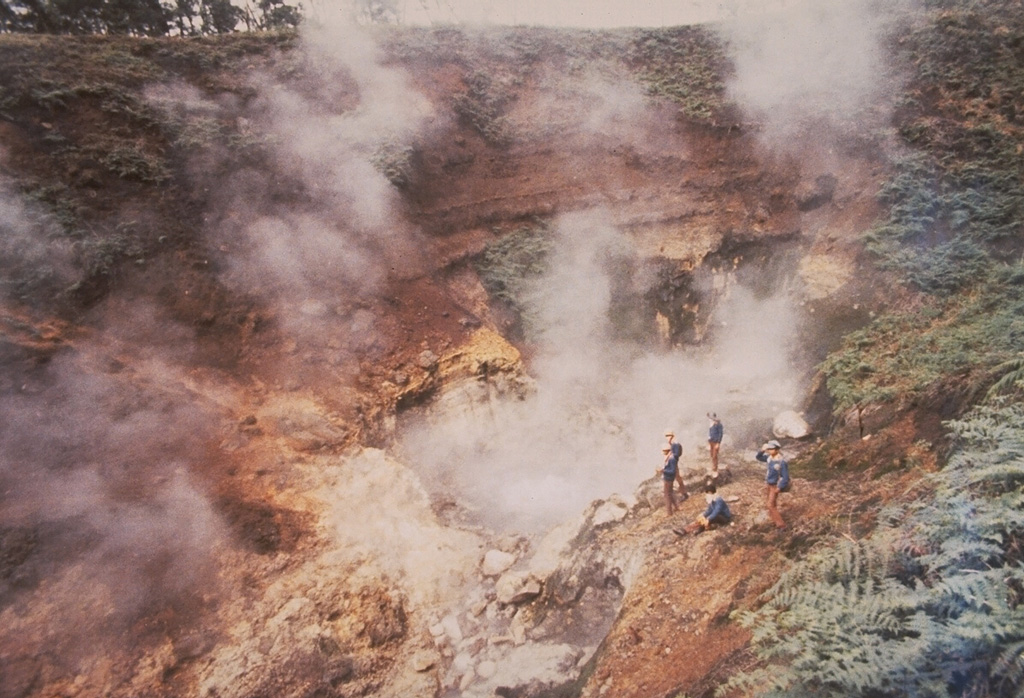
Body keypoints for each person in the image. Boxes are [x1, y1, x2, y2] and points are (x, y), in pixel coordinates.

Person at [755, 439, 790, 530]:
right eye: (769, 449)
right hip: (769, 484)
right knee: (771, 504)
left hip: (775, 485)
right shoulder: (769, 458)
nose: (770, 450)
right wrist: (762, 450)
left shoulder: (781, 462)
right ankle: (775, 520)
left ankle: (781, 525)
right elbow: (758, 457)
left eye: (772, 449)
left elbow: (785, 477)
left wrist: (779, 487)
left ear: (777, 449)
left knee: (770, 505)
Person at [664, 429, 688, 500]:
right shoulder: (672, 444)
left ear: (672, 436)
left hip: (674, 463)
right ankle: (682, 493)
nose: (667, 438)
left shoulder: (675, 444)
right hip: (673, 463)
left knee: (677, 478)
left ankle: (683, 493)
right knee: (677, 478)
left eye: (668, 436)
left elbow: (677, 454)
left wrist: (670, 455)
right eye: (666, 436)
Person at [657, 444, 681, 515]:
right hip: (667, 478)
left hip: (669, 478)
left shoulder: (672, 459)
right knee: (670, 493)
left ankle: (669, 512)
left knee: (667, 495)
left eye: (664, 451)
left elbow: (672, 471)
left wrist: (663, 471)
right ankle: (677, 507)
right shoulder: (668, 458)